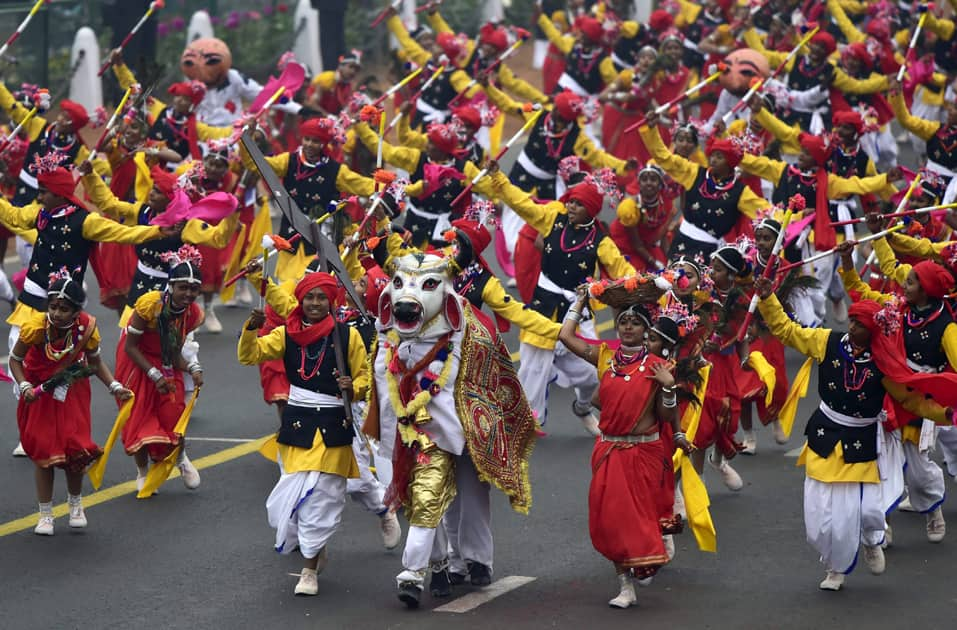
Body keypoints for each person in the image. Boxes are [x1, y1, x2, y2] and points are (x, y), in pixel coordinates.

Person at [754, 276, 957, 591]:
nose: (851, 327)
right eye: (850, 321)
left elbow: (909, 399)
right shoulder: (827, 342)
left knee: (859, 512)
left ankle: (854, 554)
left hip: (861, 442)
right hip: (825, 434)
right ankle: (836, 560)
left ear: (872, 331)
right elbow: (787, 331)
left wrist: (941, 413)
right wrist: (768, 299)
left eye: (858, 324)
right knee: (820, 517)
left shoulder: (881, 364)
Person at [238, 271, 370, 597]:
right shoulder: (286, 334)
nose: (314, 303)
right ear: (301, 300)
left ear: (331, 301)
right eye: (309, 297)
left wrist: (353, 387)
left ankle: (308, 571)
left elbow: (366, 380)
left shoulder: (347, 337)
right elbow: (249, 355)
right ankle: (315, 548)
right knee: (296, 499)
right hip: (298, 426)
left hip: (334, 428)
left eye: (321, 297)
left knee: (324, 498)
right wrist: (251, 329)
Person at [559, 289, 691, 608]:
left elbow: (663, 416)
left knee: (640, 520)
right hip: (608, 451)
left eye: (635, 323)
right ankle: (625, 586)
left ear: (647, 330)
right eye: (624, 322)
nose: (628, 327)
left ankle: (651, 553)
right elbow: (565, 336)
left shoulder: (659, 366)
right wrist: (581, 302)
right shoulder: (605, 355)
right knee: (611, 521)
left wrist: (669, 386)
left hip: (644, 454)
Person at [8, 273, 132, 535]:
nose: (57, 313)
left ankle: (75, 505)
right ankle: (45, 514)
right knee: (44, 454)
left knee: (75, 450)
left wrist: (115, 386)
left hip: (73, 394)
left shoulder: (87, 328)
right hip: (39, 396)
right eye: (53, 306)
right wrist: (24, 386)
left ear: (77, 311)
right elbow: (15, 360)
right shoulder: (36, 327)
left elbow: (95, 363)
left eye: (64, 308)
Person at [116, 247, 205, 492]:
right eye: (182, 288)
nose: (188, 294)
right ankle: (142, 471)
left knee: (174, 415)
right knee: (139, 416)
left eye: (193, 289)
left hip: (165, 359)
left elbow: (175, 352)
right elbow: (131, 347)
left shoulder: (193, 313)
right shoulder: (149, 305)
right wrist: (153, 375)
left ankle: (180, 458)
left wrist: (193, 369)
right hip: (136, 360)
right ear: (171, 286)